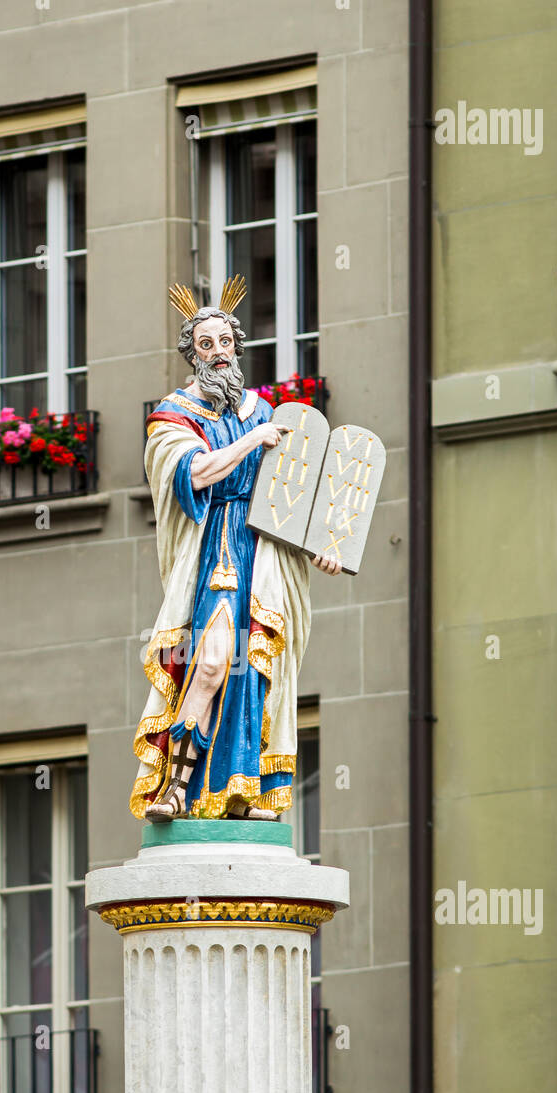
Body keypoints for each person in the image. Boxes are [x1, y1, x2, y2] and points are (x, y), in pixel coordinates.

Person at [129, 277, 341, 823]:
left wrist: (320, 544)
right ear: (191, 355)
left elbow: (291, 489)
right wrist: (252, 440)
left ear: (237, 347)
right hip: (218, 546)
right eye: (207, 345)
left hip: (266, 550)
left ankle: (241, 790)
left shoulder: (261, 408)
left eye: (225, 342)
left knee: (256, 672)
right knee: (213, 661)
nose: (218, 353)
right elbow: (194, 472)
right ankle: (175, 787)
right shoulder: (174, 415)